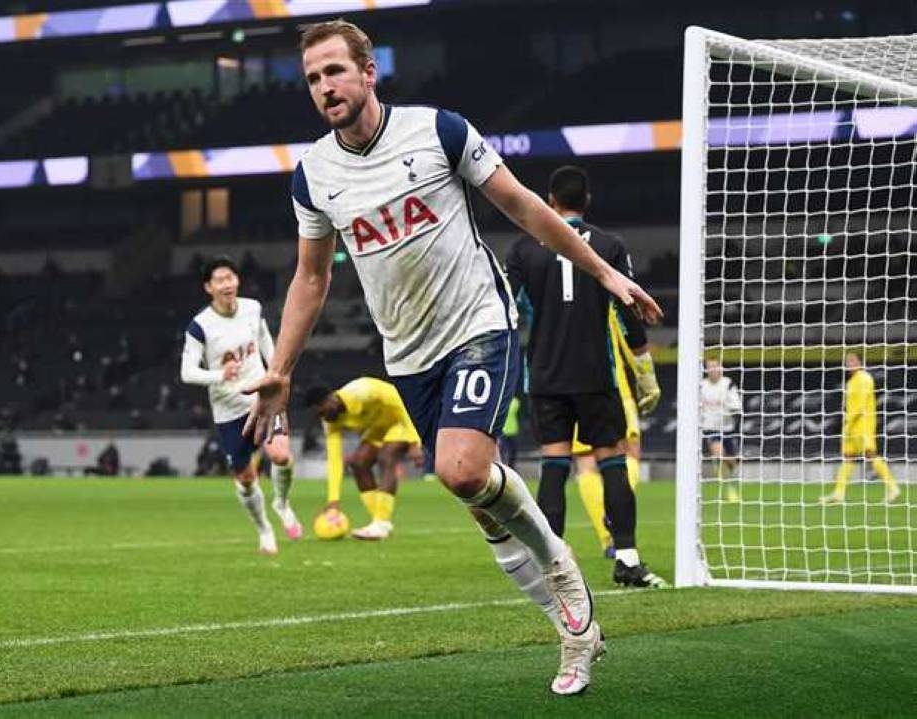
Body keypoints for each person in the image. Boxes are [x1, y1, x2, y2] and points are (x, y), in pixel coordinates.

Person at [244, 20, 662, 696]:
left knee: (461, 469)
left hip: (478, 324)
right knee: (477, 501)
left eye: (335, 70)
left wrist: (605, 273)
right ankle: (574, 631)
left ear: (368, 71)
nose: (325, 86)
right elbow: (311, 278)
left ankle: (562, 569)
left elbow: (524, 207)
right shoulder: (313, 175)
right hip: (409, 354)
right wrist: (281, 370)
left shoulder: (438, 132)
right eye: (314, 77)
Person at [505, 165, 666, 589]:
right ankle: (627, 559)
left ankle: (552, 566)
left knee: (554, 465)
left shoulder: (523, 249)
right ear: (587, 200)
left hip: (545, 375)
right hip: (596, 374)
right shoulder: (610, 245)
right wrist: (646, 374)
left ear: (550, 199)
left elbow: (507, 309)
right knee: (612, 461)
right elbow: (629, 309)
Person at [180, 256, 302, 555]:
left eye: (230, 277)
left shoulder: (252, 308)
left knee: (280, 454)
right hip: (229, 411)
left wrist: (277, 374)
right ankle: (264, 529)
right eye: (219, 280)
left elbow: (266, 342)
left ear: (237, 280)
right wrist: (220, 374)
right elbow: (187, 372)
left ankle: (282, 503)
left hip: (262, 399)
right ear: (209, 287)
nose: (227, 284)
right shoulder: (199, 327)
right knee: (246, 479)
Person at [573, 305, 651, 558]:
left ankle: (607, 540)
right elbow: (628, 336)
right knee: (629, 453)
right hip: (614, 389)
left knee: (586, 464)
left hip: (568, 390)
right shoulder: (604, 293)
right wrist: (645, 377)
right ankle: (612, 510)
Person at [304, 378, 422, 540]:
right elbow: (334, 461)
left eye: (322, 412)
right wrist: (333, 500)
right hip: (379, 428)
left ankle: (380, 523)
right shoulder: (330, 422)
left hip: (401, 418)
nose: (323, 418)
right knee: (358, 463)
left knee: (386, 456)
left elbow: (395, 397)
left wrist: (414, 441)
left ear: (331, 398)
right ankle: (380, 522)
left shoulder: (361, 393)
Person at [821, 351, 900, 504]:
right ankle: (838, 493)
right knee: (848, 457)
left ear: (860, 362)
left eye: (852, 360)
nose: (849, 364)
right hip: (851, 425)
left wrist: (848, 421)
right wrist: (847, 423)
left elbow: (861, 404)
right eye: (847, 361)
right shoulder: (851, 382)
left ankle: (893, 488)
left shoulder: (864, 378)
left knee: (870, 454)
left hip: (863, 424)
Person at [700, 357, 742, 503]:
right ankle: (727, 489)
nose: (713, 370)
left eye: (715, 366)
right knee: (719, 455)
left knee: (732, 462)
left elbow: (736, 405)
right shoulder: (701, 386)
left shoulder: (728, 384)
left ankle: (730, 485)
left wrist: (733, 408)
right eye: (710, 367)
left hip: (728, 428)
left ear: (721, 368)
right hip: (710, 429)